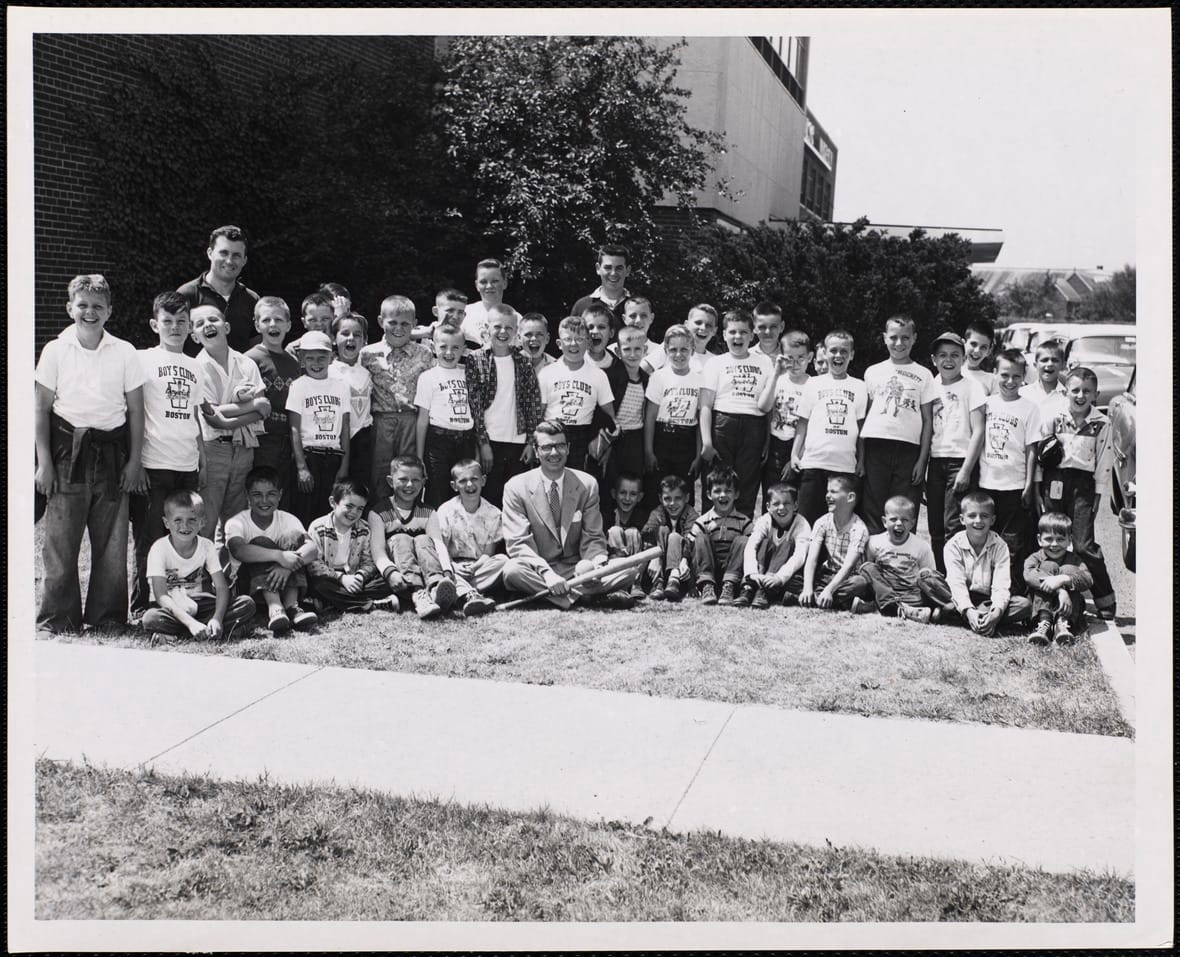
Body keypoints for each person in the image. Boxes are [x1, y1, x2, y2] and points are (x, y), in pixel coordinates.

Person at [35, 274, 146, 633]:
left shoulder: (125, 352)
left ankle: (107, 618)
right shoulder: (55, 350)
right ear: (70, 308)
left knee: (112, 543)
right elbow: (40, 410)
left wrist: (134, 462)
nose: (89, 312)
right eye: (82, 305)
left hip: (113, 454)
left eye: (98, 306)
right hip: (69, 453)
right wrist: (45, 463)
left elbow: (136, 411)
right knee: (61, 543)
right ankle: (57, 618)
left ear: (109, 311)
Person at [500, 420, 639, 609]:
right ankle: (585, 598)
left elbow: (593, 537)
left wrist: (596, 567)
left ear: (568, 448)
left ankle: (552, 597)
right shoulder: (515, 487)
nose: (554, 453)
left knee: (629, 569)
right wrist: (547, 574)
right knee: (511, 571)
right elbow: (518, 543)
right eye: (547, 447)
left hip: (578, 570)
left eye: (560, 446)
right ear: (536, 450)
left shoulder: (587, 484)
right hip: (539, 570)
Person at [129, 291, 206, 622]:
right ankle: (141, 603)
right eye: (168, 321)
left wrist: (201, 457)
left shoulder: (195, 366)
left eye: (181, 322)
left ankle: (177, 598)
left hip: (187, 464)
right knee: (149, 537)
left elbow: (195, 414)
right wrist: (135, 462)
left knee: (182, 535)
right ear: (154, 324)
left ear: (190, 326)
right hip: (154, 463)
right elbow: (133, 413)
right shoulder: (142, 360)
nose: (175, 327)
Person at [1035, 366, 1117, 619]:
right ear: (1065, 391)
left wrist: (1099, 494)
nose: (1080, 395)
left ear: (1096, 394)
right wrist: (1038, 486)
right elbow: (1039, 452)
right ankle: (1047, 593)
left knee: (1082, 543)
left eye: (1087, 391)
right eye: (1075, 390)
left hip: (1083, 484)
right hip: (1055, 480)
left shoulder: (1101, 423)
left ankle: (1105, 598)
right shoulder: (1053, 415)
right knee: (1051, 536)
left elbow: (1105, 460)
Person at [191, 305, 268, 540]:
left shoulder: (246, 363)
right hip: (212, 450)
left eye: (213, 319)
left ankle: (231, 574)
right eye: (200, 323)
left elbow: (262, 411)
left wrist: (228, 416)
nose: (208, 325)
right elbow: (210, 416)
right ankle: (202, 575)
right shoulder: (196, 368)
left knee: (236, 521)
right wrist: (252, 406)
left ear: (226, 327)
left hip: (244, 449)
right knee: (206, 518)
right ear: (194, 336)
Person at [142, 490, 257, 644]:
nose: (185, 526)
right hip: (172, 608)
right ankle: (199, 631)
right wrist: (191, 623)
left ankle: (190, 633)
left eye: (192, 519)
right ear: (166, 523)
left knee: (246, 604)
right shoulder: (159, 548)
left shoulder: (206, 546)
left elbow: (222, 587)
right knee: (150, 618)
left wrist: (217, 618)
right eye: (177, 520)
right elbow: (161, 595)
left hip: (201, 604)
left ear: (202, 522)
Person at [858, 314, 937, 534]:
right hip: (876, 445)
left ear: (914, 339)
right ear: (884, 338)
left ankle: (902, 561)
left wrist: (922, 460)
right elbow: (865, 416)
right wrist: (862, 457)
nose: (899, 343)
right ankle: (872, 562)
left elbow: (928, 419)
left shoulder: (924, 375)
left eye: (905, 338)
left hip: (908, 451)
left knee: (904, 507)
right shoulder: (873, 372)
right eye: (893, 337)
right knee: (874, 507)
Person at [465, 304, 544, 508]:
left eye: (509, 328)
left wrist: (530, 442)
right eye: (498, 326)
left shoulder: (524, 360)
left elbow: (532, 403)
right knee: (489, 499)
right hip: (489, 441)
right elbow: (475, 405)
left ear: (516, 331)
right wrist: (483, 443)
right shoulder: (476, 359)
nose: (503, 332)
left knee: (516, 501)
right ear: (486, 328)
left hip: (518, 442)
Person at [224, 466, 319, 634]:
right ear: (247, 496)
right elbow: (239, 550)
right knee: (260, 542)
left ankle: (292, 607)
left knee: (293, 536)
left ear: (280, 495)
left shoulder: (288, 518)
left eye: (271, 494)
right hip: (249, 588)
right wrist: (279, 556)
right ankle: (275, 608)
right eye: (257, 495)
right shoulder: (237, 522)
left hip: (285, 582)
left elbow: (312, 549)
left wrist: (286, 566)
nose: (264, 500)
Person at [360, 294, 435, 504]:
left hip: (412, 420)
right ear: (380, 322)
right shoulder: (367, 354)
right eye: (392, 322)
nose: (398, 328)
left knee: (409, 471)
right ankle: (379, 516)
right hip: (381, 421)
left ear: (415, 325)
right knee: (380, 471)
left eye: (405, 323)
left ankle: (408, 517)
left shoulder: (425, 354)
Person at [699, 309, 774, 517]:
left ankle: (743, 536)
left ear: (752, 335)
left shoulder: (764, 362)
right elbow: (705, 404)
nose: (737, 337)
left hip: (754, 427)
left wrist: (767, 439)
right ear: (723, 335)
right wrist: (706, 441)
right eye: (732, 332)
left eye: (743, 332)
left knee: (746, 484)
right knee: (718, 481)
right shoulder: (716, 363)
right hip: (723, 424)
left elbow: (768, 406)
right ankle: (711, 532)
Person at [926, 331, 988, 573]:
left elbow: (979, 431)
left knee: (955, 524)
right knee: (935, 526)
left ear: (963, 358)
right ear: (933, 359)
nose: (948, 360)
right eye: (942, 355)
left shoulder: (973, 387)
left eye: (954, 355)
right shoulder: (930, 385)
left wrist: (965, 470)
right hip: (936, 461)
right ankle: (941, 576)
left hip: (960, 462)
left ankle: (959, 578)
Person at [368, 455, 458, 620]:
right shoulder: (379, 512)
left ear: (423, 482)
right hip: (398, 577)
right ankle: (419, 594)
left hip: (426, 570)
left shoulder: (429, 512)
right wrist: (390, 573)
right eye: (403, 479)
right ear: (390, 481)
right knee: (401, 538)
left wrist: (447, 572)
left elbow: (438, 545)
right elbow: (378, 551)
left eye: (416, 480)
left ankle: (437, 588)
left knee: (424, 539)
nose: (409, 485)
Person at [792, 330, 868, 525]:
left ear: (851, 354)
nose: (838, 355)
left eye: (844, 351)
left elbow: (861, 429)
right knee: (807, 522)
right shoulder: (813, 383)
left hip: (844, 467)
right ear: (824, 353)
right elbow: (803, 423)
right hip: (813, 463)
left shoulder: (859, 386)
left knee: (839, 524)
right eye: (833, 350)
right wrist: (794, 454)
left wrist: (861, 460)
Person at [979, 349, 1039, 589]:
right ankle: (985, 590)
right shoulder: (986, 404)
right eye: (1004, 375)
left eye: (1016, 376)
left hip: (1014, 487)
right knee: (985, 540)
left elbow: (1031, 449)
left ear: (1023, 376)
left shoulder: (1029, 408)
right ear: (995, 374)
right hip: (986, 484)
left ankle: (1011, 591)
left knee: (1012, 544)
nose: (1010, 381)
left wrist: (1028, 485)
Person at [431, 459, 521, 617]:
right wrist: (453, 566)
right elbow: (442, 550)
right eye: (463, 481)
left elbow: (489, 553)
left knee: (503, 561)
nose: (469, 485)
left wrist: (475, 567)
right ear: (454, 486)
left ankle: (458, 592)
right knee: (443, 571)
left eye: (474, 479)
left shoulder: (494, 514)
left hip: (479, 568)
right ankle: (470, 594)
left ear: (483, 481)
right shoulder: (445, 510)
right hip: (452, 566)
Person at [844, 496, 953, 623]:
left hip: (911, 595)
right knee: (867, 567)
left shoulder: (922, 546)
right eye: (893, 519)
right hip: (883, 591)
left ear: (912, 523)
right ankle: (900, 608)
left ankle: (882, 607)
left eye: (905, 520)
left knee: (927, 575)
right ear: (884, 522)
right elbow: (870, 575)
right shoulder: (874, 542)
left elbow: (929, 577)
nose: (899, 524)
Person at [943, 491, 1033, 636]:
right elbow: (956, 582)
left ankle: (959, 615)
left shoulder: (1000, 545)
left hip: (987, 600)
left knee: (1025, 606)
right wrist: (968, 609)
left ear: (992, 520)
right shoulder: (953, 544)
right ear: (962, 519)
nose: (978, 521)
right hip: (958, 595)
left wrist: (996, 612)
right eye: (972, 516)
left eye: (984, 516)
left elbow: (1001, 585)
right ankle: (970, 615)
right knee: (926, 578)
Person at [286, 330, 352, 527]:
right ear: (302, 360)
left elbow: (345, 428)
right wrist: (301, 467)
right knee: (305, 509)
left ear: (331, 357)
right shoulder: (298, 386)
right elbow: (294, 429)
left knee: (331, 510)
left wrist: (344, 466)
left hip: (333, 456)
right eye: (310, 358)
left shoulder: (341, 387)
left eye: (322, 357)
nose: (316, 362)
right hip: (309, 456)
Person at [537, 316, 618, 472]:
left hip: (582, 435)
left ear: (588, 343)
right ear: (559, 344)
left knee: (578, 485)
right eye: (568, 339)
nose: (573, 344)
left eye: (580, 339)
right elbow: (538, 414)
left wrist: (606, 445)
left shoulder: (598, 375)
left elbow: (610, 417)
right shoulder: (546, 373)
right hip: (551, 433)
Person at [305, 478, 397, 613]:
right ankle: (371, 605)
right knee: (319, 585)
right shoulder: (317, 527)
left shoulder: (364, 529)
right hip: (330, 578)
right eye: (349, 506)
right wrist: (342, 578)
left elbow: (369, 561)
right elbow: (314, 565)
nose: (354, 513)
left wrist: (359, 577)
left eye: (360, 509)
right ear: (333, 503)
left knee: (384, 582)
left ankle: (330, 602)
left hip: (356, 578)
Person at [245, 296, 301, 507]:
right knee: (260, 490)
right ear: (257, 325)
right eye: (266, 320)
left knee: (282, 493)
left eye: (279, 320)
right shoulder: (250, 359)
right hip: (261, 440)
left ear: (288, 325)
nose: (273, 325)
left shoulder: (294, 362)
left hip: (288, 440)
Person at [414, 323, 476, 508]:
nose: (449, 352)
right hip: (438, 442)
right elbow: (422, 420)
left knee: (464, 488)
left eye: (455, 347)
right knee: (438, 491)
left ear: (463, 350)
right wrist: (419, 457)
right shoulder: (428, 377)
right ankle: (437, 535)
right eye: (443, 347)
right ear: (433, 347)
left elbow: (476, 413)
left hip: (465, 440)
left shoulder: (469, 374)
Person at [176, 225, 259, 355]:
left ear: (244, 260)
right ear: (210, 253)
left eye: (236, 255)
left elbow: (257, 351)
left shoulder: (252, 300)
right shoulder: (186, 295)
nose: (229, 261)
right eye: (224, 253)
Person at [644, 324, 703, 504]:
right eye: (673, 350)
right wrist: (648, 450)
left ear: (692, 350)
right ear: (666, 351)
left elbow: (700, 420)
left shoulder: (700, 379)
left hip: (687, 441)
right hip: (662, 439)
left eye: (684, 349)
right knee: (659, 490)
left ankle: (686, 530)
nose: (679, 355)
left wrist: (698, 455)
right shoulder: (659, 377)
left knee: (684, 492)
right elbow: (650, 417)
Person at [797, 474, 870, 611]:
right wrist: (807, 587)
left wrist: (829, 590)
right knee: (796, 579)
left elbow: (848, 567)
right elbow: (812, 559)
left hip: (848, 577)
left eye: (833, 492)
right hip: (826, 574)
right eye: (827, 491)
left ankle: (819, 597)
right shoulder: (822, 522)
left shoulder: (859, 529)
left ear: (850, 497)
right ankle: (833, 600)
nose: (827, 496)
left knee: (860, 584)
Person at [758, 329, 811, 506]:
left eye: (800, 358)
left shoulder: (813, 385)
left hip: (799, 447)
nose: (795, 364)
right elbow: (764, 406)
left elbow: (811, 426)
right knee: (771, 494)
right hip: (775, 444)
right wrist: (776, 373)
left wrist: (795, 456)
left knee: (792, 498)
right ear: (781, 357)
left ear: (810, 357)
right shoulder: (778, 381)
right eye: (789, 358)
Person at [1024, 511, 1094, 646]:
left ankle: (1062, 624)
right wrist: (1060, 591)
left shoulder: (1074, 559)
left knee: (1069, 570)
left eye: (1060, 539)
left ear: (1070, 540)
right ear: (1039, 539)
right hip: (1039, 611)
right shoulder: (1035, 558)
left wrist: (1063, 579)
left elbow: (1088, 579)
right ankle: (1044, 624)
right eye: (1049, 539)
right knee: (1048, 566)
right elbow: (1028, 575)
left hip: (1069, 611)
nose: (1054, 544)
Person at [687, 465, 752, 606]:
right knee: (701, 538)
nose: (723, 495)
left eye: (728, 491)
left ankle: (729, 586)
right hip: (709, 569)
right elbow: (689, 549)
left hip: (734, 570)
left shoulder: (744, 522)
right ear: (709, 494)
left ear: (736, 494)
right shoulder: (702, 521)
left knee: (745, 540)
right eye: (717, 491)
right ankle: (707, 586)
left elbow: (753, 551)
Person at [600, 325, 651, 505]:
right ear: (618, 352)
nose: (632, 354)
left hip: (635, 438)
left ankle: (631, 524)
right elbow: (603, 411)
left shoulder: (647, 379)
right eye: (627, 349)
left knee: (634, 482)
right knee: (611, 482)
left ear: (645, 350)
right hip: (613, 438)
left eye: (637, 349)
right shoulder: (611, 377)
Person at [740, 482, 810, 609]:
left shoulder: (802, 524)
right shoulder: (764, 520)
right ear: (768, 506)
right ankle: (751, 586)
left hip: (784, 572)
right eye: (776, 504)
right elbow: (751, 545)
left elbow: (799, 556)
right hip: (761, 570)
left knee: (788, 543)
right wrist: (752, 572)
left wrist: (779, 577)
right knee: (763, 541)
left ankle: (765, 590)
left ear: (795, 505)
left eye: (787, 503)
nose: (781, 508)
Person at [329, 312, 374, 490]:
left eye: (357, 335)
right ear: (333, 339)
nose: (351, 338)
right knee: (337, 485)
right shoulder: (329, 372)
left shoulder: (367, 371)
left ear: (364, 341)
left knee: (360, 486)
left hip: (363, 439)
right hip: (336, 438)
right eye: (345, 333)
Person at [641, 474, 700, 601]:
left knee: (674, 537)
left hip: (684, 568)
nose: (672, 504)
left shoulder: (691, 514)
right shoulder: (658, 513)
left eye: (678, 498)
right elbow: (648, 534)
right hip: (659, 566)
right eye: (667, 498)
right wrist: (655, 556)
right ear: (660, 499)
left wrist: (684, 560)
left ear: (687, 498)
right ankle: (659, 582)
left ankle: (674, 581)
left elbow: (691, 540)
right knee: (662, 530)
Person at [603, 472, 650, 599]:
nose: (627, 498)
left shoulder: (643, 518)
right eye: (622, 493)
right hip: (613, 564)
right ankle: (618, 584)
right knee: (614, 531)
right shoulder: (607, 516)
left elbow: (649, 547)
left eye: (633, 494)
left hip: (637, 567)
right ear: (614, 494)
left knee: (633, 532)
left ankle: (635, 582)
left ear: (640, 497)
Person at [570, 243, 633, 331]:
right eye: (608, 267)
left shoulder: (640, 308)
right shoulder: (582, 306)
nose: (613, 273)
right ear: (598, 269)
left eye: (619, 268)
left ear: (628, 270)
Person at [461, 259, 515, 348]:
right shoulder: (462, 314)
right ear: (476, 285)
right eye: (483, 282)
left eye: (495, 281)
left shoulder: (517, 319)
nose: (489, 286)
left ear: (505, 283)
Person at [610, 296, 666, 373]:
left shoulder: (660, 352)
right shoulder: (611, 351)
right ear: (624, 318)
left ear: (651, 318)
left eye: (643, 316)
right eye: (633, 316)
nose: (638, 321)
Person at [285, 291, 335, 364]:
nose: (319, 324)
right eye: (312, 320)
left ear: (333, 319)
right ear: (304, 322)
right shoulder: (294, 350)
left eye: (325, 319)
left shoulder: (341, 346)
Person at [1019, 340, 1067, 407]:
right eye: (1044, 360)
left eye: (1055, 360)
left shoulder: (1068, 397)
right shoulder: (1022, 394)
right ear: (1035, 365)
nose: (1050, 364)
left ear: (1063, 365)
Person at [963, 319, 997, 395]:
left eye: (983, 347)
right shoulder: (950, 374)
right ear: (964, 343)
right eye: (973, 344)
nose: (977, 350)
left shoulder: (991, 380)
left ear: (989, 351)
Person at [684, 304, 720, 372]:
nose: (703, 328)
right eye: (698, 323)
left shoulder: (717, 362)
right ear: (686, 325)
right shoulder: (669, 354)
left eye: (709, 325)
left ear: (715, 331)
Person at [583, 304, 618, 370]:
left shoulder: (618, 366)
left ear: (611, 333)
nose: (595, 331)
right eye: (590, 327)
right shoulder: (572, 362)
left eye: (601, 327)